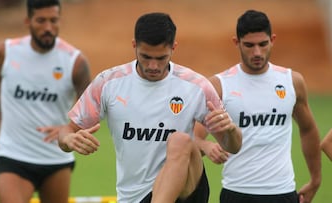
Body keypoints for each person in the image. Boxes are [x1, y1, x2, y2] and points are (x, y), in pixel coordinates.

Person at [58, 12, 242, 203]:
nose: (153, 65)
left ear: (173, 48)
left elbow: (233, 146)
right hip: (134, 196)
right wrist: (69, 139)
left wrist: (230, 130)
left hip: (187, 190)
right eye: (145, 57)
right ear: (134, 46)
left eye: (161, 58)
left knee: (180, 141)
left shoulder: (196, 86)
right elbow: (66, 131)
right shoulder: (109, 83)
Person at [195, 9, 321, 203]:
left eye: (263, 44)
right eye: (249, 45)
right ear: (236, 43)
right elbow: (191, 136)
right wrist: (206, 145)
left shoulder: (292, 82)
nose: (257, 52)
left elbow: (308, 129)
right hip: (237, 192)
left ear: (273, 40)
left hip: (283, 192)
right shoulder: (219, 86)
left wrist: (315, 180)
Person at [0, 0, 92, 203]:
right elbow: (2, 90)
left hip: (55, 157)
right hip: (13, 154)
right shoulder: (6, 51)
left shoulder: (75, 62)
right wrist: (0, 133)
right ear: (28, 21)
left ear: (60, 20)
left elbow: (91, 108)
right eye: (41, 20)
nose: (48, 27)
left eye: (53, 20)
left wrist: (69, 128)